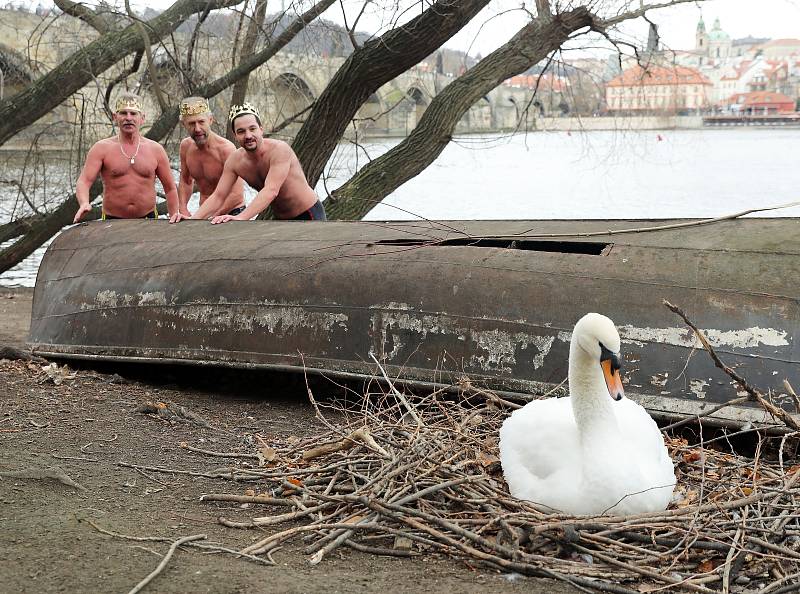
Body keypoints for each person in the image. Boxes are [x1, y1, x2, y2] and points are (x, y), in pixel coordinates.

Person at [180, 102, 325, 224]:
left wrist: (241, 217)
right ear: (235, 135)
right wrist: (193, 219)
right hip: (281, 219)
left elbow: (271, 191)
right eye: (241, 131)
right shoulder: (235, 161)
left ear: (261, 130)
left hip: (308, 213)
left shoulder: (280, 150)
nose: (248, 136)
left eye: (252, 129)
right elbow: (219, 196)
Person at [73, 94, 179, 222]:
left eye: (133, 114)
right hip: (112, 220)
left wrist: (174, 216)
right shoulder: (101, 148)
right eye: (123, 113)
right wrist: (84, 203)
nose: (128, 118)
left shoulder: (155, 150)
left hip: (148, 219)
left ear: (142, 118)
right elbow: (84, 181)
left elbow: (170, 188)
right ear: (115, 117)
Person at [169, 97, 245, 223]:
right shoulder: (186, 147)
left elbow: (236, 195)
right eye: (192, 124)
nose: (197, 128)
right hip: (204, 215)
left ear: (210, 120)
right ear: (184, 124)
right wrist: (182, 208)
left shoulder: (226, 149)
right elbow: (186, 181)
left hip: (231, 213)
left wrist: (202, 217)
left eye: (201, 122)